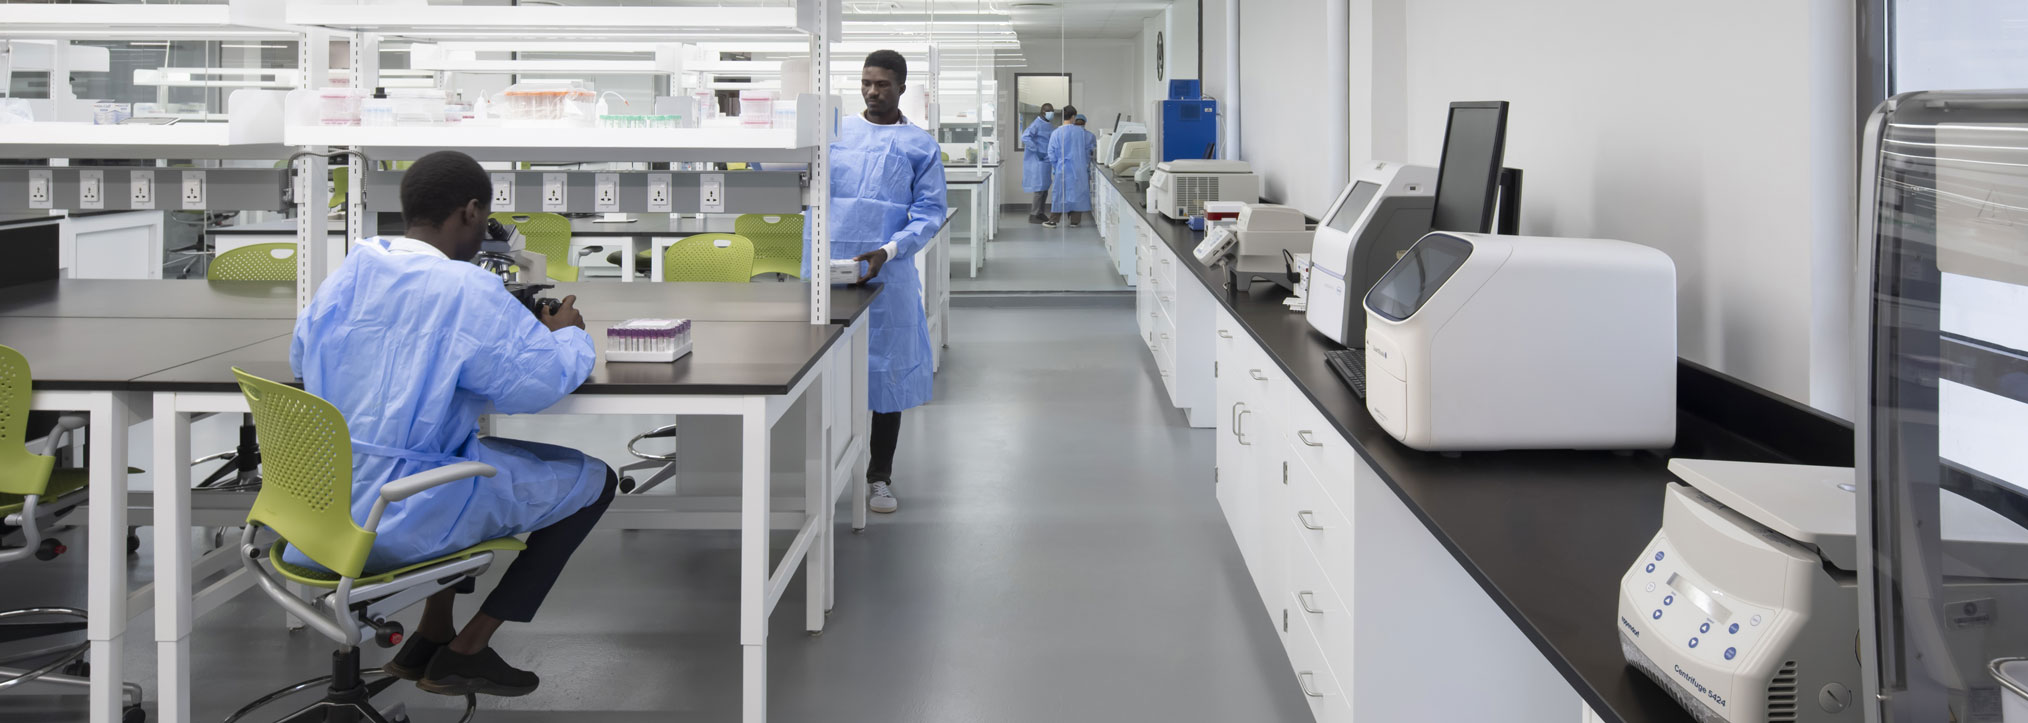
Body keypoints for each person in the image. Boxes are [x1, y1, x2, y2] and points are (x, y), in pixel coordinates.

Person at [289, 150, 616, 698]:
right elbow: (535, 385)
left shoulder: (348, 274)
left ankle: (432, 632)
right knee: (595, 479)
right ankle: (470, 648)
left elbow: (304, 362)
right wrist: (567, 334)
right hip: (398, 513)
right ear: (471, 212)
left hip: (318, 506)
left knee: (463, 449)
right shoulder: (465, 289)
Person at [805, 50, 947, 514]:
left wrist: (888, 251)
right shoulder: (833, 133)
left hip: (887, 272)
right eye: (866, 82)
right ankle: (816, 471)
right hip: (826, 269)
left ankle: (879, 477)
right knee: (819, 370)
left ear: (902, 87)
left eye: (882, 84)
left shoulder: (919, 145)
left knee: (885, 374)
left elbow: (929, 212)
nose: (872, 91)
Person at [1043, 108, 1096, 229]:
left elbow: (1051, 153)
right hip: (1079, 169)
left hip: (1062, 168)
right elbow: (1090, 151)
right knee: (1077, 193)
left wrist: (1056, 166)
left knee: (1059, 194)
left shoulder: (1056, 133)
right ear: (1073, 116)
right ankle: (1075, 221)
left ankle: (1053, 220)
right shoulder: (1082, 133)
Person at [1021, 103, 1056, 224]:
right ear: (1043, 112)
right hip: (1038, 160)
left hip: (1046, 160)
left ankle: (1040, 213)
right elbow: (1025, 137)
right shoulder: (1036, 124)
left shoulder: (1048, 124)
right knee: (1039, 188)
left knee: (1045, 187)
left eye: (1052, 110)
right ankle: (1033, 214)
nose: (1051, 113)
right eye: (1049, 111)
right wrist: (1037, 150)